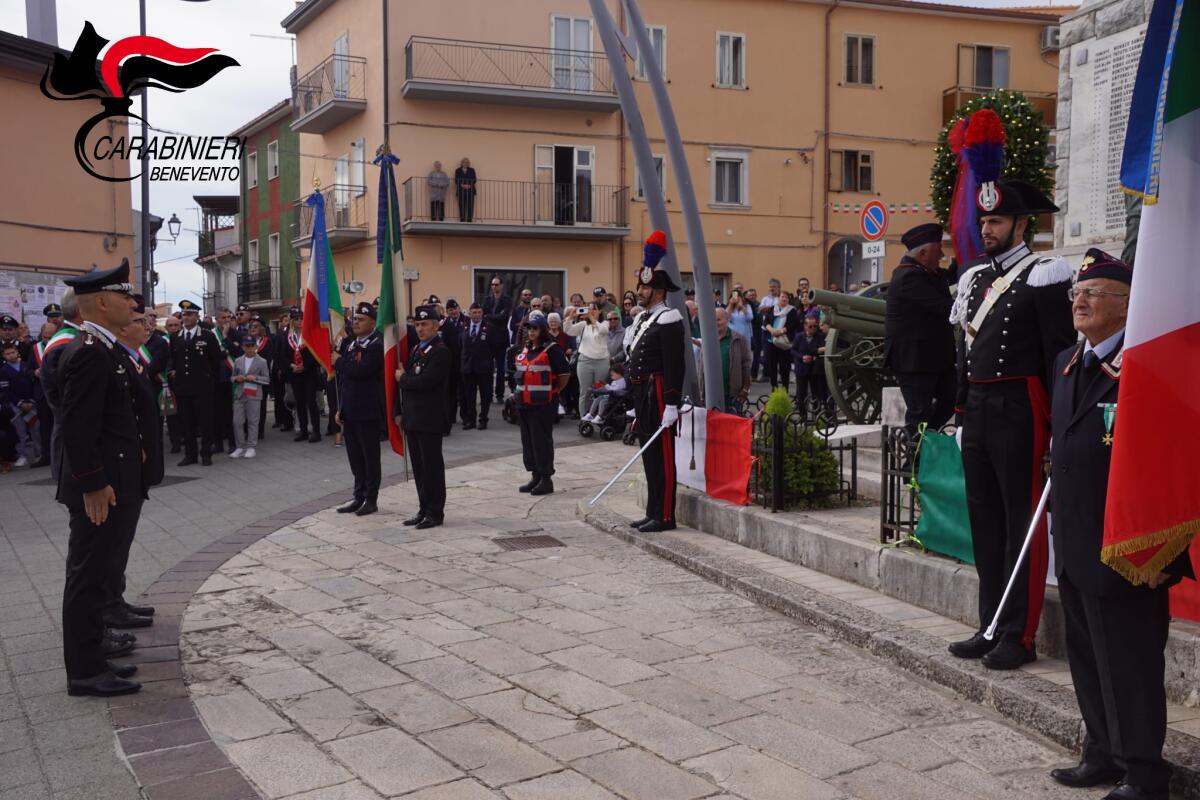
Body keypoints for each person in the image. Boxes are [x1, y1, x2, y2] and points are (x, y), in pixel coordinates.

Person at [1045, 250, 1190, 800]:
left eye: (1094, 293)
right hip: (1078, 540)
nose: (1079, 301)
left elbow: (1171, 466)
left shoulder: (1148, 367)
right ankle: (1102, 753)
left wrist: (1167, 556)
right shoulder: (1066, 362)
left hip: (1131, 549)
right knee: (1085, 655)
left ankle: (1145, 773)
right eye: (1076, 294)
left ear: (1127, 304)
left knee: (1129, 664)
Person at [947, 178, 1076, 670]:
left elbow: (1057, 355)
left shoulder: (1044, 273)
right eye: (983, 221)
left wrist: (1058, 425)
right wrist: (960, 412)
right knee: (985, 522)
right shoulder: (975, 278)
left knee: (1020, 522)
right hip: (979, 407)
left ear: (1022, 225)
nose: (987, 229)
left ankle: (1019, 635)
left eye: (996, 221)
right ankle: (990, 622)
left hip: (1020, 406)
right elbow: (965, 353)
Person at [56, 259, 144, 697]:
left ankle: (94, 656)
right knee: (89, 577)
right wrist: (92, 482)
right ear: (104, 302)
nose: (133, 302)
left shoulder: (102, 347)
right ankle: (86, 670)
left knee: (97, 573)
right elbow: (77, 425)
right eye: (126, 296)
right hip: (99, 488)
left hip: (113, 480)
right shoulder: (90, 351)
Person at [625, 230, 685, 533]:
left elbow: (676, 365)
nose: (640, 291)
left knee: (663, 457)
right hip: (643, 394)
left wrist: (672, 403)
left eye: (646, 288)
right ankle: (652, 511)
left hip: (660, 393)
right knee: (648, 456)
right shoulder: (643, 319)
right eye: (640, 286)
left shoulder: (670, 317)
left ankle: (665, 515)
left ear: (660, 291)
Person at [108, 295, 161, 630]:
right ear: (123, 328)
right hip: (120, 465)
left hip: (134, 463)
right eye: (139, 320)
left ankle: (115, 601)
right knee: (110, 545)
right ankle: (109, 609)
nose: (146, 326)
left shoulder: (133, 356)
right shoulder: (111, 357)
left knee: (120, 543)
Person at [884, 223, 956, 438]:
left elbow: (948, 276)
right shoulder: (909, 277)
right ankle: (912, 465)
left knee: (953, 397)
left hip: (934, 360)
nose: (942, 255)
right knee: (919, 414)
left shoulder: (924, 272)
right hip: (914, 362)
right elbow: (945, 308)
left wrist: (965, 252)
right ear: (923, 253)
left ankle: (927, 440)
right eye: (938, 250)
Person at [395, 305, 451, 529]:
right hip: (414, 418)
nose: (420, 328)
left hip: (430, 418)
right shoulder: (417, 349)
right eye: (417, 324)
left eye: (425, 324)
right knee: (419, 467)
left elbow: (426, 382)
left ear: (436, 326)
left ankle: (435, 512)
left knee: (432, 468)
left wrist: (402, 378)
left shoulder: (440, 351)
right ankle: (423, 507)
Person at [334, 302, 384, 516]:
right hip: (351, 409)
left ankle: (371, 499)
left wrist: (338, 362)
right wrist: (341, 409)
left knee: (369, 457)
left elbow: (362, 371)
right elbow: (345, 381)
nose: (355, 322)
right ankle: (359, 496)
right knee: (355, 457)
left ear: (372, 322)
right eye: (354, 319)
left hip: (368, 409)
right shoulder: (351, 344)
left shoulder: (376, 344)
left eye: (361, 319)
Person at [513, 312, 570, 495]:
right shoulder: (525, 349)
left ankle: (546, 480)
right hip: (524, 404)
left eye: (535, 328)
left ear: (542, 330)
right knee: (528, 442)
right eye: (529, 328)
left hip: (543, 405)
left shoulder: (552, 349)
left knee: (541, 442)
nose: (531, 332)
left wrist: (553, 392)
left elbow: (564, 375)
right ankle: (535, 475)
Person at [169, 300, 222, 466]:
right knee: (187, 423)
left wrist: (209, 378)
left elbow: (216, 361)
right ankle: (190, 455)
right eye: (184, 314)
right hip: (183, 388)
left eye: (190, 314)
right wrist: (172, 370)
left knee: (205, 422)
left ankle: (206, 453)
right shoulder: (176, 337)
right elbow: (172, 358)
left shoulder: (207, 335)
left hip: (202, 388)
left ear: (197, 316)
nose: (186, 317)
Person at [697, 306, 751, 413]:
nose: (716, 323)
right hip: (710, 395)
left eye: (718, 319)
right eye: (713, 319)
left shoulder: (738, 339)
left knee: (731, 427)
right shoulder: (707, 339)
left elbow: (746, 364)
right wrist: (701, 392)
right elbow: (701, 367)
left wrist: (745, 388)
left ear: (726, 320)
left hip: (732, 395)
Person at [564, 302, 612, 418]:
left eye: (594, 309)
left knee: (600, 391)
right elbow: (568, 330)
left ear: (599, 311)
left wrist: (591, 317)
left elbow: (603, 331)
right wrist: (570, 317)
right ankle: (583, 418)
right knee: (584, 392)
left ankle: (599, 416)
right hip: (585, 361)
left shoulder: (604, 323)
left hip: (602, 362)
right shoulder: (583, 325)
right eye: (589, 309)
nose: (591, 311)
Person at [285, 308, 323, 443]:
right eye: (296, 319)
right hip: (295, 374)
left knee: (311, 402)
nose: (299, 321)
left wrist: (304, 366)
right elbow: (284, 356)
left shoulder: (310, 335)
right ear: (292, 321)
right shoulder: (288, 337)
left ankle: (316, 432)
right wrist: (292, 366)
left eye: (301, 318)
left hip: (309, 374)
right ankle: (303, 430)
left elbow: (316, 355)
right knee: (299, 402)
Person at [0, 340, 40, 467]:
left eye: (13, 352)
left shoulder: (26, 365)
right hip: (16, 405)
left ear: (17, 352)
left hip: (31, 403)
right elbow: (6, 391)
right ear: (3, 356)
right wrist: (19, 403)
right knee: (20, 432)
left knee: (36, 429)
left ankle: (39, 453)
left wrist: (31, 401)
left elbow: (34, 384)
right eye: (7, 354)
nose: (11, 355)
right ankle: (22, 455)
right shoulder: (3, 371)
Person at [230, 337, 270, 459]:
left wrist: (256, 378)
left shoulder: (262, 361)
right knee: (237, 421)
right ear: (242, 347)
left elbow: (267, 380)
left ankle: (251, 446)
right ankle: (240, 446)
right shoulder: (238, 361)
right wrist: (237, 378)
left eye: (252, 345)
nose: (250, 348)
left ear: (255, 346)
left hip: (254, 394)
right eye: (247, 346)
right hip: (240, 394)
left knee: (253, 421)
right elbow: (232, 377)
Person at [460, 302, 494, 430]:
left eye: (479, 312)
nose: (477, 315)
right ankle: (471, 419)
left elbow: (494, 347)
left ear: (482, 314)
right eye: (474, 312)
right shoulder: (464, 327)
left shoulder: (489, 327)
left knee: (485, 395)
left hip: (484, 367)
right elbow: (460, 346)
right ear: (469, 314)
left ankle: (483, 419)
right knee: (469, 396)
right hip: (468, 368)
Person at [481, 277, 513, 403]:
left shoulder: (507, 300)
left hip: (501, 338)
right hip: (489, 338)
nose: (494, 287)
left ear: (502, 285)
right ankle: (487, 394)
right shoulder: (487, 299)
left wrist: (490, 316)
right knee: (488, 368)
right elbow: (484, 315)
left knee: (500, 369)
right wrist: (493, 316)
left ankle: (499, 395)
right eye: (492, 284)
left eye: (496, 284)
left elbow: (503, 317)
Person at [212, 308, 238, 455]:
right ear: (217, 320)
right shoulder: (210, 335)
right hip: (216, 379)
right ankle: (218, 444)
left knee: (230, 414)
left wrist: (226, 337)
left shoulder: (236, 334)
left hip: (232, 379)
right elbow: (213, 355)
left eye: (228, 317)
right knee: (216, 413)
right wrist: (223, 352)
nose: (226, 320)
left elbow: (238, 352)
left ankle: (233, 442)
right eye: (223, 318)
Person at [791, 315, 828, 417]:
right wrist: (801, 357)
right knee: (801, 394)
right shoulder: (799, 336)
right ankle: (803, 418)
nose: (813, 329)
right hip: (801, 369)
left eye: (815, 326)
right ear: (805, 326)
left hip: (814, 369)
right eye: (810, 326)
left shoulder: (819, 336)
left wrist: (813, 355)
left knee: (816, 394)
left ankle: (816, 416)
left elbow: (820, 350)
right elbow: (793, 350)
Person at [764, 290, 799, 391]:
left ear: (788, 300)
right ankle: (774, 388)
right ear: (778, 298)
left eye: (786, 297)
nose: (784, 299)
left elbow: (793, 325)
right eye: (782, 296)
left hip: (783, 342)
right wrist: (772, 330)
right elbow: (766, 321)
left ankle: (785, 389)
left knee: (784, 367)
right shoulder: (773, 309)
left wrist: (780, 332)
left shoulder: (791, 310)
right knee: (772, 366)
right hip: (771, 341)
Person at [271, 309, 296, 433]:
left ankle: (295, 421)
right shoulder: (280, 335)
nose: (288, 322)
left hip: (294, 369)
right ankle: (285, 421)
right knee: (285, 397)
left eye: (289, 320)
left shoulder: (295, 333)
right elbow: (278, 353)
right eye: (285, 320)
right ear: (281, 323)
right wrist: (280, 368)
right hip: (284, 369)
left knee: (295, 398)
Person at [441, 298, 464, 432]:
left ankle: (465, 415)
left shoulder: (466, 320)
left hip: (463, 361)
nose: (453, 312)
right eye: (450, 310)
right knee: (451, 391)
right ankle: (451, 415)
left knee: (464, 391)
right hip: (451, 362)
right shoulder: (444, 323)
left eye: (455, 309)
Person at [455, 157, 477, 222]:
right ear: (462, 163)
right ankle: (462, 219)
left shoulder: (472, 170)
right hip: (461, 190)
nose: (465, 163)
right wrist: (462, 185)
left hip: (470, 190)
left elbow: (474, 179)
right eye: (464, 162)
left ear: (468, 163)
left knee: (470, 205)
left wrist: (469, 185)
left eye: (467, 162)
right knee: (461, 204)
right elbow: (456, 180)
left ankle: (469, 219)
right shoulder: (457, 170)